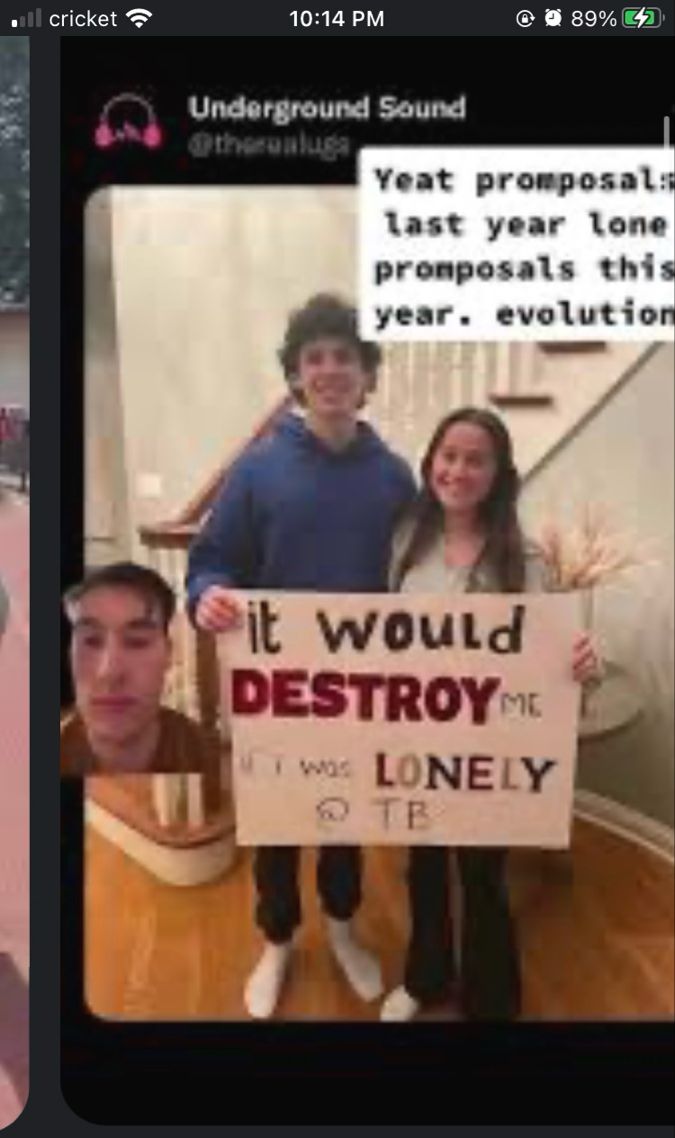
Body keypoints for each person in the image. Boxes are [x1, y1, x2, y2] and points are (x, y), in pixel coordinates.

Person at [186, 293, 416, 1018]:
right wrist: (210, 595)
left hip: (361, 689)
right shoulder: (256, 472)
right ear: (294, 375)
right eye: (313, 358)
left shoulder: (394, 477)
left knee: (345, 816)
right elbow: (211, 560)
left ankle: (343, 925)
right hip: (276, 690)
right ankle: (278, 940)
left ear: (366, 375)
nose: (329, 370)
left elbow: (420, 573)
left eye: (343, 357)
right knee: (279, 822)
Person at [379, 407, 600, 1022]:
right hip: (414, 741)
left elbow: (551, 656)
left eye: (477, 459)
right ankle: (424, 979)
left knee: (481, 876)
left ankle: (491, 999)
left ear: (500, 474)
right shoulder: (404, 542)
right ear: (430, 464)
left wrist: (580, 663)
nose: (459, 469)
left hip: (489, 750)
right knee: (422, 869)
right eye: (449, 455)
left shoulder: (523, 561)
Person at [61, 561, 212, 776]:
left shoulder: (211, 760)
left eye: (137, 641)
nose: (110, 672)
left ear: (168, 653)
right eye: (91, 641)